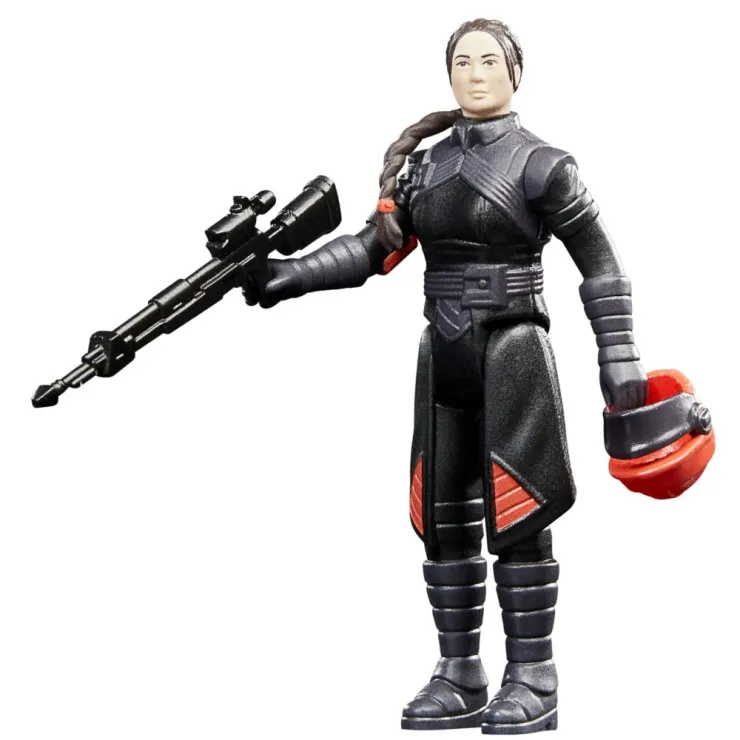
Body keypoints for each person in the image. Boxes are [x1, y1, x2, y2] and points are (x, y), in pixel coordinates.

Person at [244, 17, 647, 735]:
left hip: (514, 348)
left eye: (489, 60)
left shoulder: (543, 165)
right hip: (443, 352)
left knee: (520, 512)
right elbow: (375, 248)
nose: (475, 73)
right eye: (462, 61)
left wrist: (619, 357)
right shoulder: (424, 167)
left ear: (515, 72)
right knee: (440, 514)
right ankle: (459, 674)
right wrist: (289, 276)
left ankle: (534, 676)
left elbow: (602, 264)